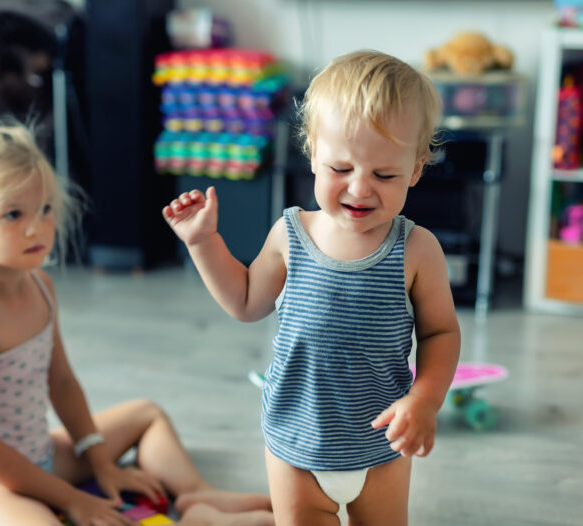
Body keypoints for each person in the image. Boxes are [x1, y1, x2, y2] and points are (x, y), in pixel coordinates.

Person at [0, 106, 275, 526]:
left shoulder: (40, 287)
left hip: (39, 455)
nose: (37, 228)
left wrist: (102, 463)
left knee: (147, 415)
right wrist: (71, 499)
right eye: (13, 214)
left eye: (44, 209)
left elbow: (61, 382)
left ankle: (196, 497)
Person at [162, 50, 461, 526]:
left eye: (384, 174)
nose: (360, 189)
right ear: (313, 154)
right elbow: (244, 302)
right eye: (341, 169)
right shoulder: (290, 234)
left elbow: (441, 333)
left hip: (379, 446)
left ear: (417, 170)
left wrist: (425, 400)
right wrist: (203, 242)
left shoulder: (418, 250)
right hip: (295, 444)